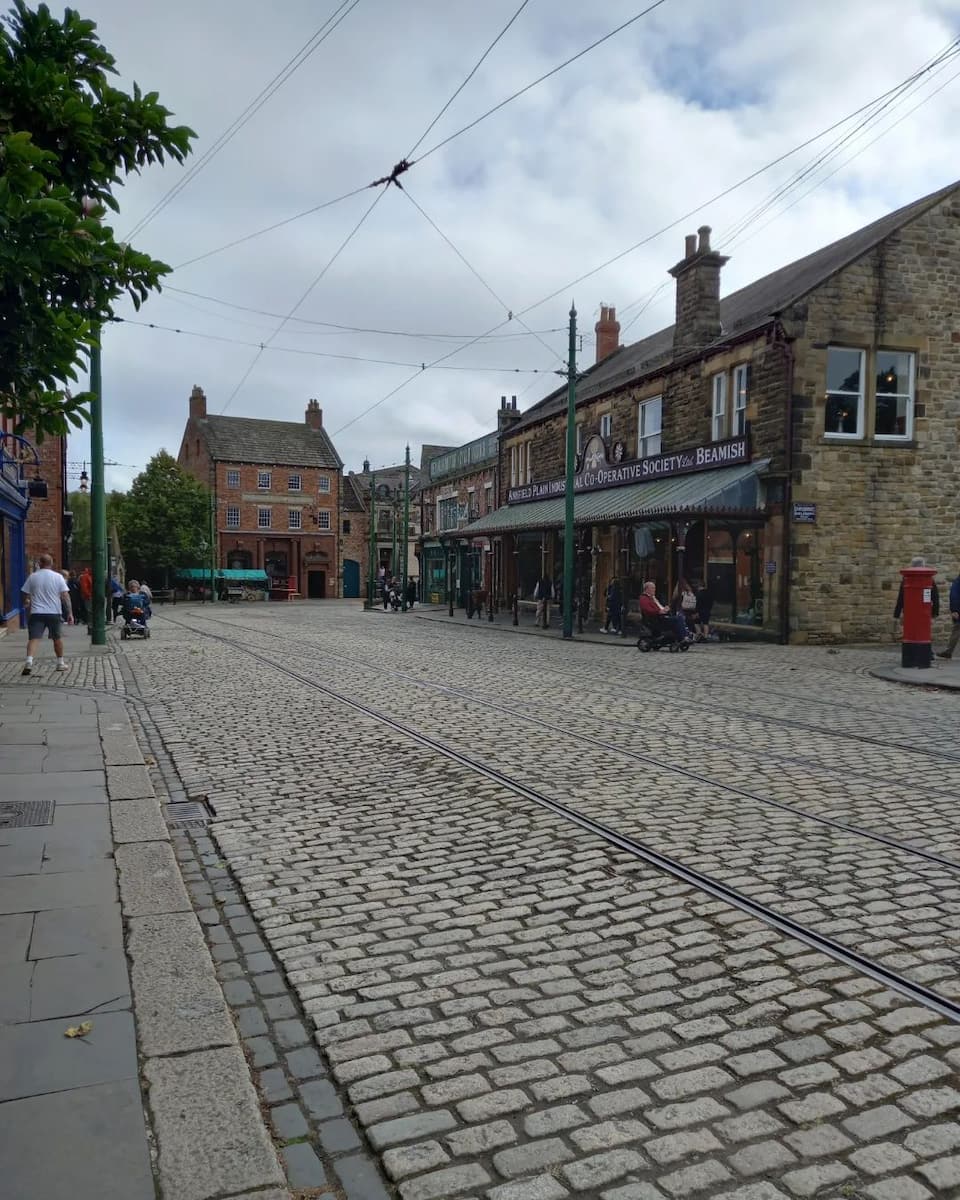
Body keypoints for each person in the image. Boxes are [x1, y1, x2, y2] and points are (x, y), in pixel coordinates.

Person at [21, 553, 73, 675]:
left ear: (40, 563)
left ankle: (29, 661)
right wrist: (70, 613)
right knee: (57, 638)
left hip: (37, 612)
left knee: (34, 638)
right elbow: (65, 596)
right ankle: (60, 663)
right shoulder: (58, 577)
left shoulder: (32, 577)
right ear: (51, 564)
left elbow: (25, 593)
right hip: (54, 612)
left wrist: (27, 600)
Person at [894, 556, 939, 664]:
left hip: (910, 613)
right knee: (922, 632)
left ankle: (916, 655)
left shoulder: (906, 579)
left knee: (918, 633)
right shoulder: (929, 579)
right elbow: (935, 596)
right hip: (923, 612)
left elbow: (901, 596)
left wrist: (897, 613)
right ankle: (927, 653)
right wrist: (935, 611)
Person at [938, 569, 960, 660]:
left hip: (958, 611)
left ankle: (948, 652)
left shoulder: (957, 582)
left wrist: (954, 610)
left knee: (956, 631)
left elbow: (954, 596)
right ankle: (948, 652)